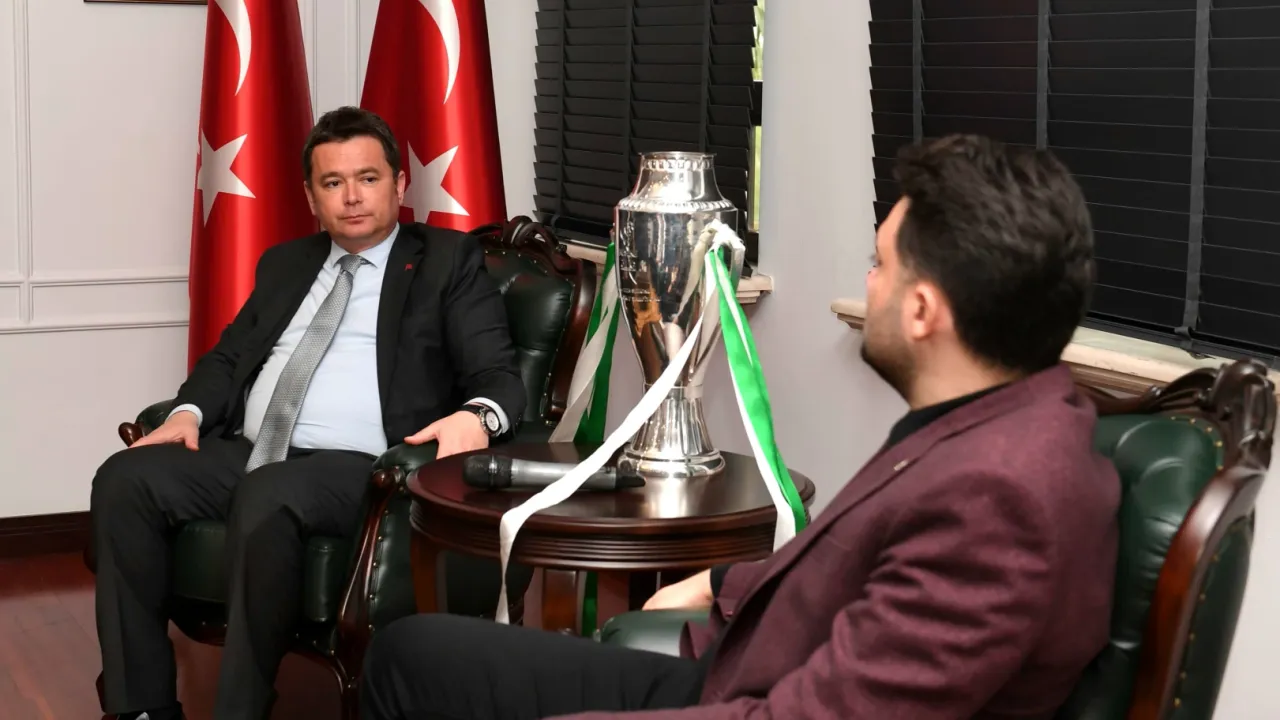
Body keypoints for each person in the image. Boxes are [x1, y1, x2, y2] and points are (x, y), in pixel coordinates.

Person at [358, 134, 1122, 719]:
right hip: (740, 668)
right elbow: (857, 565)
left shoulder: (1000, 498)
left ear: (923, 311)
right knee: (412, 654)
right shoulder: (1006, 420)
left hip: (756, 699)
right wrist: (721, 582)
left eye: (881, 265)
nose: (867, 282)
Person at [89, 106, 527, 720]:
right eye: (333, 182)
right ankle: (140, 709)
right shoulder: (286, 262)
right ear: (310, 196)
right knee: (125, 478)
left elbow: (500, 378)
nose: (352, 197)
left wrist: (476, 418)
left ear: (400, 183)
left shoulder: (445, 262)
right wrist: (188, 412)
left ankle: (239, 710)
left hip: (364, 466)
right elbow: (229, 357)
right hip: (253, 450)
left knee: (270, 492)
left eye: (368, 178)